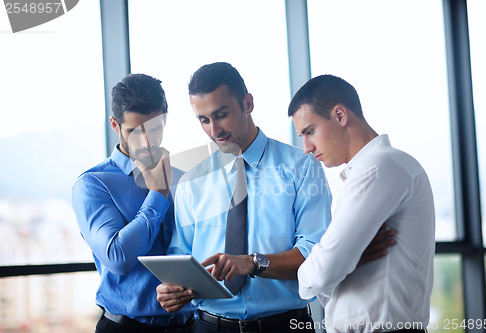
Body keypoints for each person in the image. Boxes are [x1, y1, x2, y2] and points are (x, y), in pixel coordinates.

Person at [156, 62, 395, 333]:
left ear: (248, 103)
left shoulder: (302, 167)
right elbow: (181, 255)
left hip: (285, 325)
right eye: (204, 120)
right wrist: (172, 290)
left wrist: (252, 263)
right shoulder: (191, 182)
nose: (214, 130)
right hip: (210, 326)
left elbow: (315, 252)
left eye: (221, 114)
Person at [289, 74, 435, 333]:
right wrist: (342, 264)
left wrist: (329, 267)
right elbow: (326, 276)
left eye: (310, 131)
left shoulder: (379, 168)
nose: (306, 148)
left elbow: (320, 274)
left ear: (340, 115)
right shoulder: (373, 170)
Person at [72, 74, 196, 333]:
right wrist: (159, 193)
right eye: (135, 132)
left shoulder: (184, 180)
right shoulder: (94, 184)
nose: (147, 142)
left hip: (189, 326)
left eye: (154, 129)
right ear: (115, 125)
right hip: (125, 329)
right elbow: (118, 258)